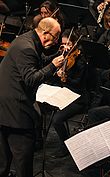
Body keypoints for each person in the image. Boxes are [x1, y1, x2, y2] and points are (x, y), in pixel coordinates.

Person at [0, 17, 64, 177]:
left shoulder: (25, 39)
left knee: (2, 164)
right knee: (23, 167)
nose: (56, 42)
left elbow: (36, 61)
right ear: (45, 33)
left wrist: (55, 56)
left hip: (4, 111)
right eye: (55, 37)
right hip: (16, 115)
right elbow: (30, 79)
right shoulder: (27, 48)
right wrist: (53, 66)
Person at [49, 29, 89, 158]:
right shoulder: (63, 56)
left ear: (75, 45)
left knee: (57, 119)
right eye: (63, 44)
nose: (65, 48)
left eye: (68, 44)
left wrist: (65, 77)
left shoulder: (81, 61)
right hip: (65, 94)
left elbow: (78, 83)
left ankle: (66, 145)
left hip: (78, 98)